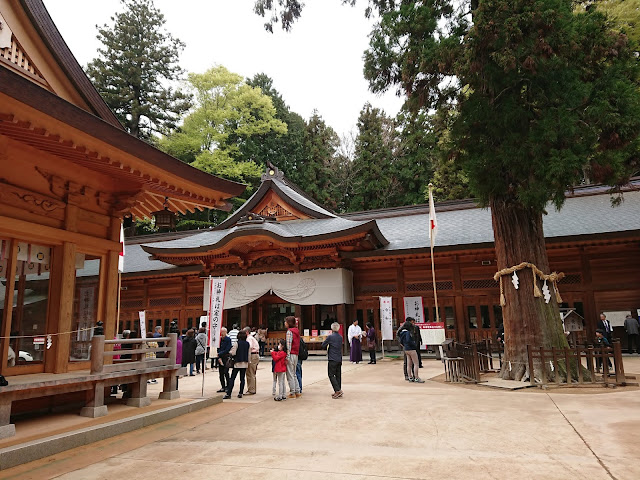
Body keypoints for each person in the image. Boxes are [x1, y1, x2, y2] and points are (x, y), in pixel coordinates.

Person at [223, 330, 249, 399]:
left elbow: (233, 353)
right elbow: (248, 353)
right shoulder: (247, 343)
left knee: (232, 378)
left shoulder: (237, 343)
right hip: (245, 362)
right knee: (242, 379)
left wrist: (230, 352)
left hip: (237, 362)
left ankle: (229, 393)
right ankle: (240, 392)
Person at [321, 322, 344, 398]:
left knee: (331, 374)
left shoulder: (330, 337)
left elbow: (323, 345)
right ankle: (338, 389)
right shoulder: (340, 337)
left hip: (332, 358)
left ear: (331, 329)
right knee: (338, 375)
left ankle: (337, 390)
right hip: (339, 358)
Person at [399, 318, 424, 383]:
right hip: (411, 349)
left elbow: (401, 341)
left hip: (406, 349)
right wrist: (414, 344)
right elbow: (408, 340)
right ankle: (416, 377)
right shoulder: (407, 332)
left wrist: (404, 345)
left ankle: (410, 377)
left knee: (408, 364)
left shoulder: (402, 332)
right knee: (416, 363)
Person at [285, 316, 301, 398]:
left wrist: (287, 357)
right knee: (294, 373)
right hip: (296, 354)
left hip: (290, 354)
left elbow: (288, 345)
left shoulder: (289, 332)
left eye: (286, 322)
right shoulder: (297, 331)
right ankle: (297, 390)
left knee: (290, 374)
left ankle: (292, 392)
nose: (285, 323)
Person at [244, 326, 260, 395]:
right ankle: (251, 388)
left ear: (247, 332)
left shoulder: (249, 338)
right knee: (251, 372)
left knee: (250, 373)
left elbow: (249, 347)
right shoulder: (251, 338)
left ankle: (251, 389)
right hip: (255, 355)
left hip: (252, 355)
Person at [216, 327, 232, 392]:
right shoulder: (219, 340)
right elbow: (217, 348)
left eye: (223, 332)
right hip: (220, 357)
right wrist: (218, 355)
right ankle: (223, 386)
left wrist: (220, 353)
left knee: (226, 372)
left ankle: (228, 386)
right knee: (221, 373)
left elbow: (228, 348)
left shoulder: (228, 339)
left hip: (225, 357)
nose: (221, 333)